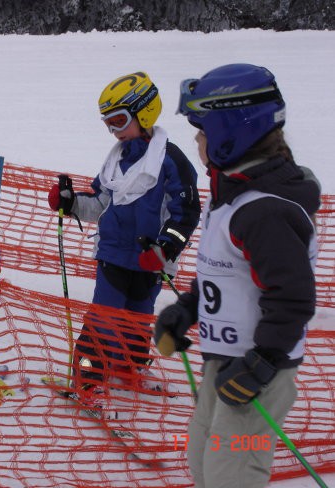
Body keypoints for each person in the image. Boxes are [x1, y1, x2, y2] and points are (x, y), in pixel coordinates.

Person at [156, 63, 320, 488]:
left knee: (232, 474)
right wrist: (186, 311)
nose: (196, 139)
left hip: (256, 369)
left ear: (232, 132)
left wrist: (261, 364)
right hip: (225, 363)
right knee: (202, 458)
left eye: (203, 130)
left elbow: (293, 297)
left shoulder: (264, 210)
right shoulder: (231, 197)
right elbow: (222, 274)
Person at [48, 71, 201, 404]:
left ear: (144, 113)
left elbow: (186, 212)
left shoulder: (171, 162)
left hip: (151, 262)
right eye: (108, 123)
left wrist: (166, 246)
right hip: (114, 256)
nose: (113, 131)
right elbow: (100, 202)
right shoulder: (115, 161)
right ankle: (87, 376)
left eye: (119, 120)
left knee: (137, 319)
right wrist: (70, 202)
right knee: (105, 317)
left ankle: (130, 368)